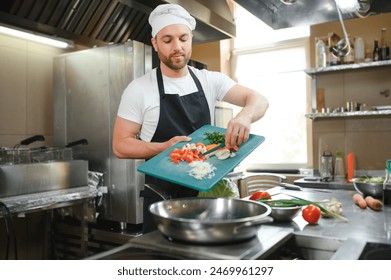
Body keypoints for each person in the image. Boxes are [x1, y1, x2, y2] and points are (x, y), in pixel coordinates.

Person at [112, 3, 269, 233]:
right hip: (162, 205)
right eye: (167, 40)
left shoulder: (210, 80)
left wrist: (245, 116)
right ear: (155, 43)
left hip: (207, 198)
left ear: (191, 39)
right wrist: (164, 148)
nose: (177, 47)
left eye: (183, 38)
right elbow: (120, 145)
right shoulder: (139, 89)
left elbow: (259, 100)